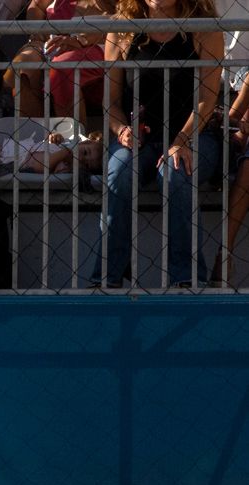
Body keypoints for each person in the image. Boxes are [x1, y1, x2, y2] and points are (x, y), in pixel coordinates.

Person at [93, 0, 222, 289]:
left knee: (175, 171)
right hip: (141, 138)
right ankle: (106, 277)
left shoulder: (204, 28)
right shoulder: (121, 29)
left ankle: (187, 279)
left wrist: (181, 141)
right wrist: (121, 130)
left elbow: (207, 99)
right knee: (119, 170)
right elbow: (110, 102)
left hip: (195, 135)